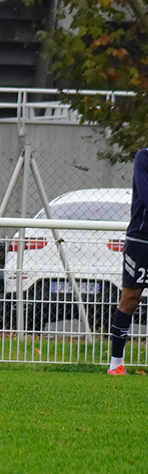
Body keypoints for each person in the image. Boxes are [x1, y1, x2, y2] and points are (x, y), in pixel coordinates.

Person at [107, 147, 148, 374]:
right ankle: (116, 363)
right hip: (142, 239)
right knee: (130, 299)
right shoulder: (144, 157)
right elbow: (145, 193)